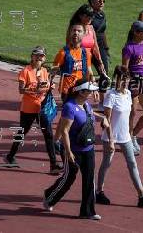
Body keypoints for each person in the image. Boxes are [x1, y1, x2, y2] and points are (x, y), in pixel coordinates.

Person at [96, 65, 143, 207]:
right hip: (111, 136)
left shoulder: (129, 94)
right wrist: (111, 140)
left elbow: (129, 116)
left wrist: (130, 133)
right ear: (116, 79)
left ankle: (142, 195)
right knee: (106, 163)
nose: (124, 82)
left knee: (132, 164)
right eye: (121, 79)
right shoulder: (111, 95)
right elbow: (107, 120)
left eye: (126, 79)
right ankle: (99, 192)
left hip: (125, 136)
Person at [43, 79, 101, 220]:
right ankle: (50, 198)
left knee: (89, 179)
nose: (91, 93)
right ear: (80, 92)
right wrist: (68, 151)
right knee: (68, 178)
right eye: (89, 91)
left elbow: (90, 116)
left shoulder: (86, 105)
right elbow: (64, 130)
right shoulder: (70, 107)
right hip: (74, 150)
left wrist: (103, 118)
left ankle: (87, 211)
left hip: (88, 149)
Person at [4, 46, 63, 174]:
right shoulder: (26, 71)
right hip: (28, 108)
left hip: (41, 108)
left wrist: (50, 87)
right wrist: (34, 90)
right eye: (36, 55)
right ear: (32, 56)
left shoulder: (45, 71)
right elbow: (21, 90)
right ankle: (10, 156)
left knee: (48, 134)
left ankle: (53, 164)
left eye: (41, 56)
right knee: (22, 133)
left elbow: (46, 85)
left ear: (44, 58)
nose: (38, 58)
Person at [122, 21, 143, 156]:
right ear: (135, 32)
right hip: (133, 81)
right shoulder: (128, 48)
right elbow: (124, 68)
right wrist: (124, 85)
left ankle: (133, 135)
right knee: (133, 112)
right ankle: (128, 139)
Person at [53, 22, 96, 102]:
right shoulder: (63, 52)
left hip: (81, 89)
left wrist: (94, 88)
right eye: (74, 30)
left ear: (84, 34)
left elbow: (89, 71)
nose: (76, 33)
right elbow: (53, 71)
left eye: (79, 31)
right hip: (67, 90)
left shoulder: (86, 53)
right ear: (70, 33)